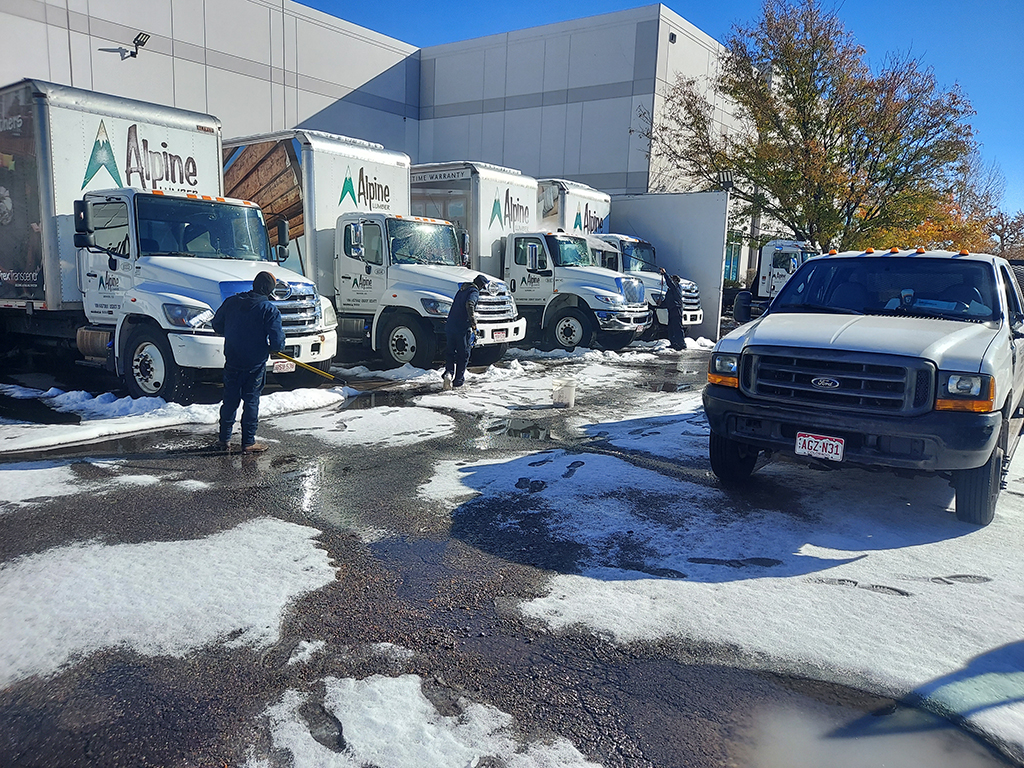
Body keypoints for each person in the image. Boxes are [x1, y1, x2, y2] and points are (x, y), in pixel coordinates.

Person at [212, 271, 285, 453]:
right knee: (251, 400)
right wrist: (274, 348)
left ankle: (224, 439)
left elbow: (216, 324)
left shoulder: (231, 302)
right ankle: (248, 442)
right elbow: (277, 342)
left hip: (233, 359)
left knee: (230, 400)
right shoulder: (269, 309)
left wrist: (230, 333)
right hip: (255, 363)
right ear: (268, 290)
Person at [443, 274, 488, 389]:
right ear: (481, 285)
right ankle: (458, 381)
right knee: (463, 354)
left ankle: (448, 373)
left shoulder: (462, 290)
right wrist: (473, 324)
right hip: (461, 327)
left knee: (450, 352)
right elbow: (470, 304)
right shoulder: (474, 292)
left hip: (450, 325)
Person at [659, 267, 686, 351]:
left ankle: (681, 343)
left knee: (677, 327)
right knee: (671, 328)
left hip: (676, 309)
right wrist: (660, 304)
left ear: (675, 281)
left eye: (672, 279)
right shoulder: (671, 291)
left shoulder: (676, 287)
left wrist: (665, 274)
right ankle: (674, 343)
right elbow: (667, 302)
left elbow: (670, 282)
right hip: (672, 310)